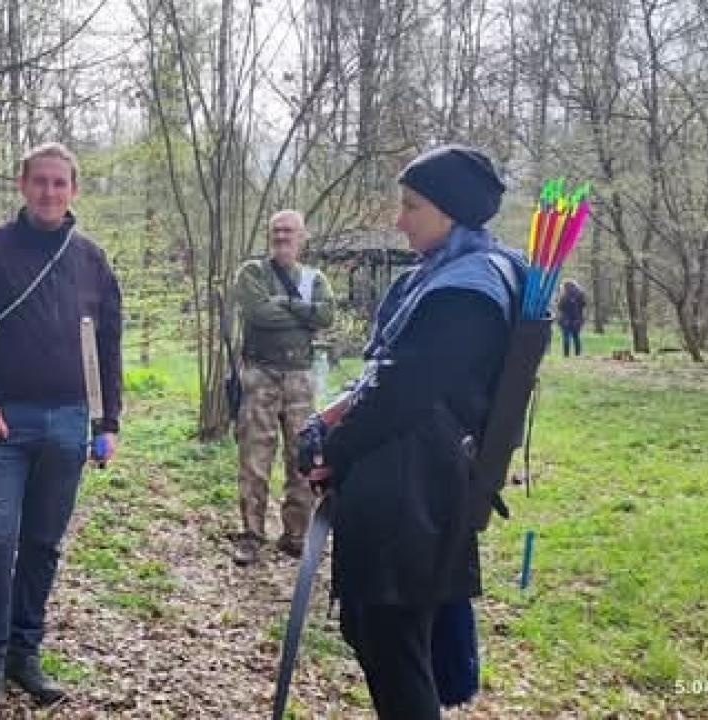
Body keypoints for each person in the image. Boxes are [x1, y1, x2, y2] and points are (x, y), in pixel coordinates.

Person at [304, 145, 518, 719]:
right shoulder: (452, 273)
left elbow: (405, 393)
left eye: (412, 206)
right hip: (411, 482)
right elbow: (391, 376)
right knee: (388, 641)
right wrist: (332, 415)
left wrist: (335, 450)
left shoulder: (466, 290)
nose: (399, 220)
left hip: (412, 491)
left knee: (393, 646)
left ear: (449, 212)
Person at [0, 143, 122, 718]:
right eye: (39, 181)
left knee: (42, 544)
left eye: (59, 183)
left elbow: (106, 345)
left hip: (69, 424)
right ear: (22, 185)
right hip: (2, 425)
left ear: (74, 189)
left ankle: (24, 652)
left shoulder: (91, 259)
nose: (49, 192)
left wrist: (106, 420)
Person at [229, 209, 333, 566]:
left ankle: (295, 535)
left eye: (290, 231)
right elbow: (258, 314)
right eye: (277, 231)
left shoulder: (314, 278)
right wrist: (302, 316)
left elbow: (326, 316)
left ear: (303, 236)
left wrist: (287, 304)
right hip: (260, 373)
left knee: (302, 457)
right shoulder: (252, 273)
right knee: (254, 457)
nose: (283, 237)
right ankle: (251, 535)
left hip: (301, 377)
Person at [556, 279, 586, 357]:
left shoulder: (564, 296)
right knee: (576, 336)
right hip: (577, 318)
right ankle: (578, 354)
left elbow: (560, 307)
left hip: (566, 319)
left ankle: (566, 354)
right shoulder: (580, 294)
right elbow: (583, 306)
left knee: (566, 337)